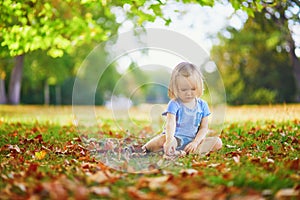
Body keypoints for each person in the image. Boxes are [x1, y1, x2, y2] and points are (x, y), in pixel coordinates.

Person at [142, 62, 222, 157]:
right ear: (175, 88)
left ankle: (183, 152)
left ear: (199, 86)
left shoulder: (202, 105)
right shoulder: (174, 103)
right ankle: (144, 149)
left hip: (193, 140)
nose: (189, 93)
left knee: (217, 142)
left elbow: (204, 128)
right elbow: (170, 123)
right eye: (184, 89)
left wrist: (195, 142)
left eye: (193, 89)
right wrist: (169, 140)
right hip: (175, 138)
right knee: (162, 140)